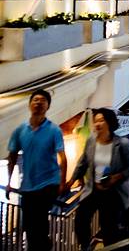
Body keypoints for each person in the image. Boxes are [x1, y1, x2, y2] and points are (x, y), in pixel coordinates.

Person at [7, 89, 67, 251]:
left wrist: (62, 182)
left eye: (43, 100)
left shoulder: (54, 130)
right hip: (28, 185)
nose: (39, 103)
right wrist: (9, 183)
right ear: (29, 105)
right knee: (29, 225)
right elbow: (12, 156)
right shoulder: (20, 130)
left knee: (38, 222)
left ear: (48, 106)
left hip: (48, 183)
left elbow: (63, 158)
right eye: (35, 100)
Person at [68, 108, 129, 249]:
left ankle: (110, 247)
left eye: (101, 120)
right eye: (95, 121)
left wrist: (116, 177)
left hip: (113, 192)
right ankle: (85, 246)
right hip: (94, 189)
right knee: (81, 219)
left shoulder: (122, 144)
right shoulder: (91, 141)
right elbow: (83, 162)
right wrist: (71, 180)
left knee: (108, 227)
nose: (97, 124)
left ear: (109, 122)